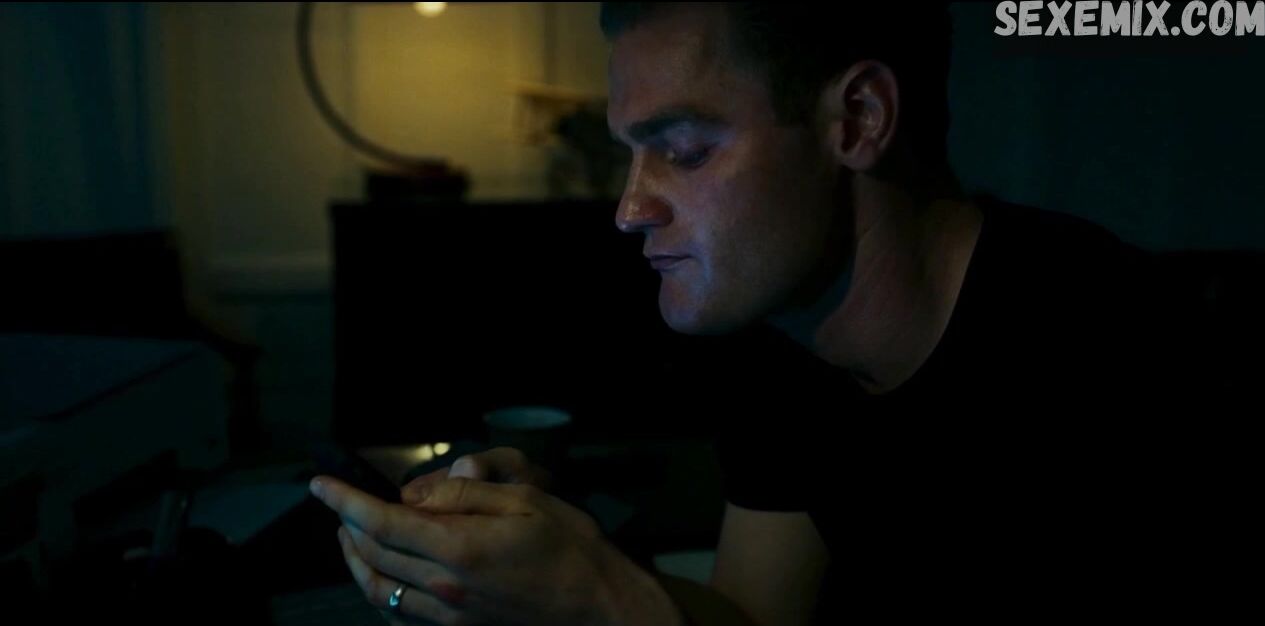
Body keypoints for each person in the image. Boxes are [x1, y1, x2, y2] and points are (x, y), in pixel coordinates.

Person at [311, 3, 1258, 623]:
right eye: (629, 153)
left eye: (684, 150)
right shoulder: (785, 335)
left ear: (857, 119)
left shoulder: (1115, 352)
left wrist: (602, 601)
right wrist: (561, 560)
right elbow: (755, 619)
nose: (629, 208)